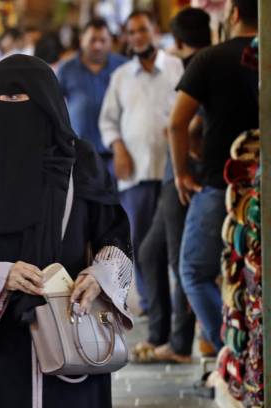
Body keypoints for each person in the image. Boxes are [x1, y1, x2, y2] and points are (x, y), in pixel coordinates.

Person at [0, 54, 133, 408]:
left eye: (18, 100)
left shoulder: (80, 161)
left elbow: (114, 232)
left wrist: (99, 275)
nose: (7, 110)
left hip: (73, 323)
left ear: (44, 101)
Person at [169, 0, 258, 352]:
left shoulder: (210, 59)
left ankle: (232, 353)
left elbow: (177, 124)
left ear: (233, 14)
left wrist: (180, 173)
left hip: (223, 184)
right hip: (261, 183)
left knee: (193, 270)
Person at [135, 7, 212, 364]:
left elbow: (183, 127)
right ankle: (161, 336)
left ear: (177, 40)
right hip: (174, 176)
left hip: (181, 178)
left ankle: (180, 344)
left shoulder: (199, 65)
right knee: (151, 253)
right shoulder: (199, 63)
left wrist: (184, 167)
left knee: (180, 261)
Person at [99, 10, 183, 316]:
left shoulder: (175, 67)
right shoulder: (120, 76)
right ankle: (151, 304)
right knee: (142, 244)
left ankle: (176, 305)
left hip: (172, 170)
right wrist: (118, 148)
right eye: (132, 33)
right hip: (135, 173)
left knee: (172, 245)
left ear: (155, 31)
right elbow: (107, 122)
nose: (137, 38)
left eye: (143, 31)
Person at [57, 18, 127, 175]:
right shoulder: (67, 68)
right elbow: (54, 105)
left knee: (115, 199)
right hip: (79, 152)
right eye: (92, 40)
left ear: (111, 41)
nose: (97, 45)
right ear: (82, 40)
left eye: (103, 40)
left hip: (118, 152)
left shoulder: (123, 67)